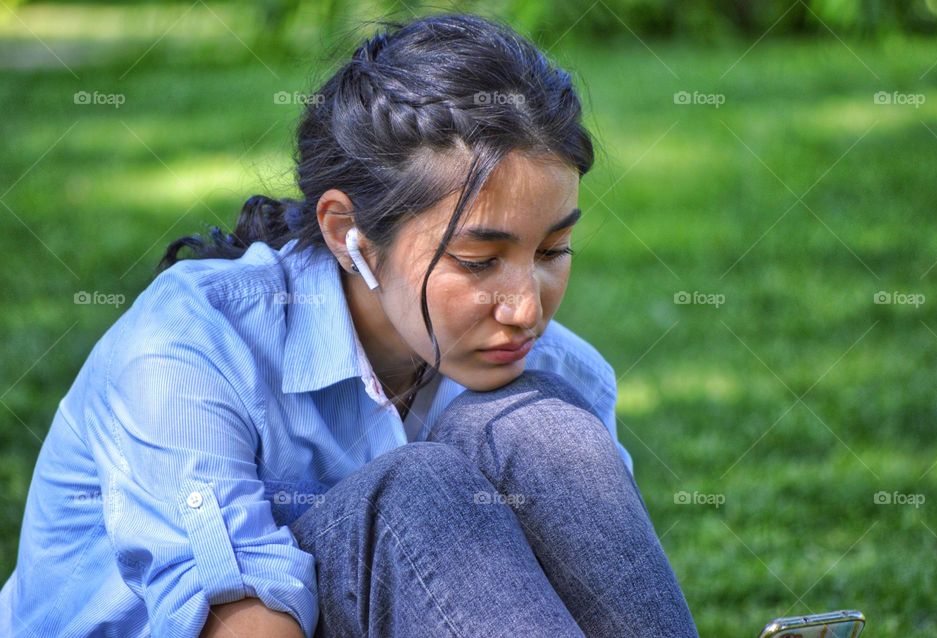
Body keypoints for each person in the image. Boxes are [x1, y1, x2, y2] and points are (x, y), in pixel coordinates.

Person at [0, 13, 698, 638]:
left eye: (552, 251)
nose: (525, 309)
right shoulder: (189, 342)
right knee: (417, 493)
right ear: (347, 233)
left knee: (543, 426)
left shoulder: (559, 372)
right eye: (478, 260)